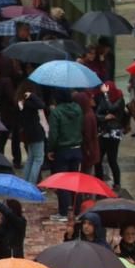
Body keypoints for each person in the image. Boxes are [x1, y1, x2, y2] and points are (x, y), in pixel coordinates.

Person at [47, 91, 84, 220]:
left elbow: (53, 134)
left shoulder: (56, 112)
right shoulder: (78, 109)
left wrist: (51, 149)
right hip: (77, 148)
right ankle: (77, 209)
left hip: (62, 150)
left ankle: (64, 211)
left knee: (62, 182)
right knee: (76, 181)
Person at [96, 82, 127, 190]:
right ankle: (99, 181)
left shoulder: (119, 99)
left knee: (112, 159)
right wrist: (105, 117)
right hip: (104, 132)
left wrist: (105, 95)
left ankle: (117, 183)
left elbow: (112, 108)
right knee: (98, 159)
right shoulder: (104, 99)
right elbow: (97, 113)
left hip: (114, 132)